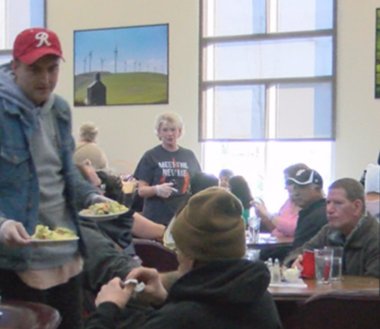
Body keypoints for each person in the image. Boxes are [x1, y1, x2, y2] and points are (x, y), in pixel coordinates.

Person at [0, 28, 109, 329]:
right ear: (15, 67)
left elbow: (64, 171)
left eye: (52, 69)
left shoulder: (60, 109)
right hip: (19, 261)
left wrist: (91, 197)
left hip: (67, 256)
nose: (45, 79)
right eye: (34, 69)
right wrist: (3, 224)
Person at [85, 187, 282, 329]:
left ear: (188, 256)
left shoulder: (178, 319)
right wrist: (166, 299)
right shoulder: (262, 301)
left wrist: (107, 308)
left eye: (178, 250)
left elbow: (189, 317)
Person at [284, 178, 379, 278]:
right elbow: (301, 251)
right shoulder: (328, 231)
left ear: (357, 207)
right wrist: (295, 261)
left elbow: (373, 287)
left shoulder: (375, 238)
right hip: (331, 293)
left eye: (338, 203)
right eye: (328, 202)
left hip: (354, 293)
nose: (329, 209)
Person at [134, 112, 201, 226]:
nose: (169, 134)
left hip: (182, 216)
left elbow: (197, 186)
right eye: (165, 130)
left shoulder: (189, 155)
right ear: (159, 133)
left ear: (179, 132)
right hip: (156, 218)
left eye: (173, 129)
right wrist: (156, 189)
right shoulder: (150, 156)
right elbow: (141, 191)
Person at [252, 163, 310, 237]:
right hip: (277, 244)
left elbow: (292, 229)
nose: (285, 187)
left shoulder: (310, 205)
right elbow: (277, 229)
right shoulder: (289, 202)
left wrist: (267, 213)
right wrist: (264, 217)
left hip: (289, 247)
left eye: (287, 182)